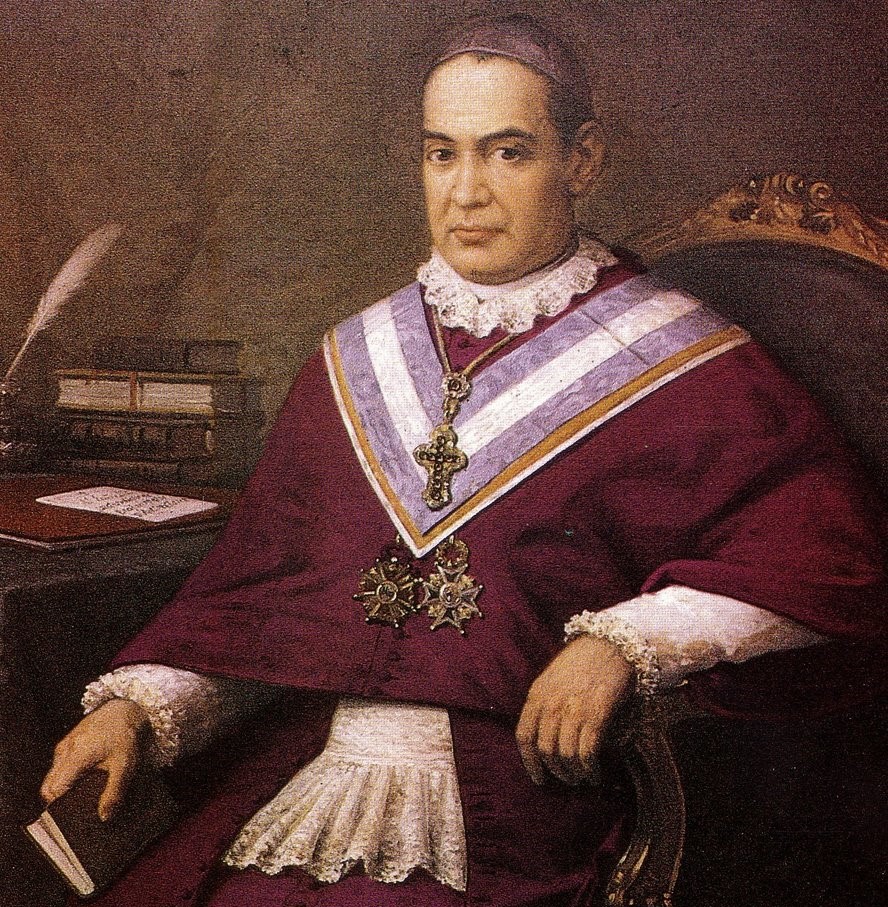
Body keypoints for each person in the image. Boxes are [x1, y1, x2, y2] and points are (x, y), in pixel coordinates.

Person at [40, 14, 886, 907]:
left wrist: (624, 645)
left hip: (522, 799)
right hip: (312, 760)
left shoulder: (680, 358)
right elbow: (265, 598)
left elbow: (829, 555)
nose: (468, 192)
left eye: (507, 152)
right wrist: (143, 705)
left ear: (583, 161)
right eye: (442, 154)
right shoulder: (353, 359)